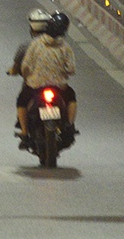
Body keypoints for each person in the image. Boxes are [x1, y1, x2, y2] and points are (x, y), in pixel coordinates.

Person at [11, 9, 76, 141]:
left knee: (22, 101)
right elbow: (71, 69)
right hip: (59, 86)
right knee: (71, 97)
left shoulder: (35, 44)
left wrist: (27, 74)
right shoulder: (65, 47)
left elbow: (25, 65)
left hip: (35, 85)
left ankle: (24, 131)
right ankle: (69, 125)